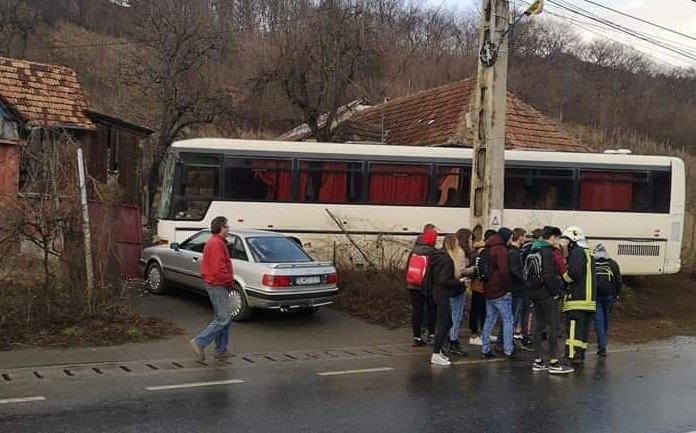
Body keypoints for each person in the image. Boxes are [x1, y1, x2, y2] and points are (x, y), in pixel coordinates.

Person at [527, 226, 574, 374]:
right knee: (553, 326)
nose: (558, 241)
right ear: (552, 237)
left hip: (535, 293)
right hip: (547, 294)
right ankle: (553, 362)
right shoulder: (547, 252)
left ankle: (538, 360)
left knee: (537, 325)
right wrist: (558, 291)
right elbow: (548, 276)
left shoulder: (532, 249)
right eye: (558, 238)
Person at [190, 216, 234, 361]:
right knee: (223, 319)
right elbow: (218, 268)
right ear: (221, 228)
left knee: (223, 318)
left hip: (217, 283)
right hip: (217, 284)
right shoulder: (216, 244)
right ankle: (199, 341)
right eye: (227, 226)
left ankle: (221, 350)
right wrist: (228, 280)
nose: (228, 229)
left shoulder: (217, 242)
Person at [429, 235, 468, 366]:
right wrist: (459, 281)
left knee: (447, 322)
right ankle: (435, 353)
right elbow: (444, 280)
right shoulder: (448, 260)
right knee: (444, 323)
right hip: (443, 294)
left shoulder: (438, 256)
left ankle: (438, 350)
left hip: (437, 292)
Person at [561, 226, 597, 366]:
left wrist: (563, 279)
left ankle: (571, 356)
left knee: (573, 329)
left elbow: (574, 273)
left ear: (573, 240)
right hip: (589, 301)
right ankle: (580, 355)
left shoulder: (577, 252)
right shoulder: (589, 253)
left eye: (567, 240)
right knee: (583, 330)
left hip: (577, 299)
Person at [481, 227, 515, 360]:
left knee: (489, 319)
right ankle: (508, 350)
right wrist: (508, 287)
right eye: (510, 237)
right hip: (500, 290)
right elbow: (504, 272)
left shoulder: (488, 247)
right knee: (508, 320)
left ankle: (485, 349)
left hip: (488, 288)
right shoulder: (500, 249)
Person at [406, 227, 438, 346]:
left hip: (413, 284)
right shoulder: (433, 253)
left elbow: (407, 268)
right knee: (432, 310)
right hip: (428, 286)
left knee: (417, 311)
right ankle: (431, 335)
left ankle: (417, 337)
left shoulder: (414, 251)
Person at [449, 229, 477, 355]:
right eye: (470, 239)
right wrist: (473, 269)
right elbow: (460, 271)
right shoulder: (460, 252)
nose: (472, 242)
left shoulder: (455, 250)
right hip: (458, 287)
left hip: (452, 288)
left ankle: (450, 339)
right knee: (456, 315)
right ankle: (453, 341)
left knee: (453, 315)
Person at [593, 244, 622, 357]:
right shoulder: (612, 264)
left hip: (595, 297)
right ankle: (603, 344)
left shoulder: (592, 264)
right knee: (606, 319)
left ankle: (602, 346)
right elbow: (619, 281)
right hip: (609, 296)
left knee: (598, 320)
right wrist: (617, 295)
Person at [469, 229, 496, 346]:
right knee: (477, 310)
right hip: (480, 285)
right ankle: (474, 334)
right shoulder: (481, 251)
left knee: (485, 310)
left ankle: (485, 332)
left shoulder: (480, 250)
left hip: (481, 285)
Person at [509, 228, 529, 343]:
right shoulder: (514, 252)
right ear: (520, 237)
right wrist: (524, 280)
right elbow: (514, 270)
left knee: (514, 315)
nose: (525, 239)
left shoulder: (515, 251)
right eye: (525, 236)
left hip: (516, 287)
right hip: (516, 288)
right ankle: (508, 341)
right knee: (513, 315)